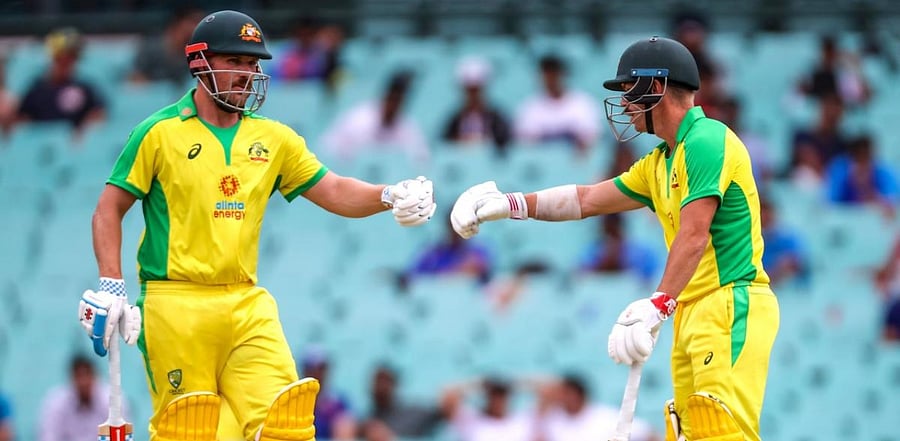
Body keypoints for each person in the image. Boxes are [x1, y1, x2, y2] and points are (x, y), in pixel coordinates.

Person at [76, 10, 436, 441]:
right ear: (200, 63)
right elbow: (108, 208)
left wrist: (386, 195)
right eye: (236, 62)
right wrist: (112, 283)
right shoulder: (158, 133)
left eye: (254, 64)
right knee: (190, 431)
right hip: (175, 303)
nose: (248, 74)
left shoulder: (274, 139)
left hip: (246, 302)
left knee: (288, 423)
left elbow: (334, 189)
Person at [450, 36, 779, 441]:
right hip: (692, 309)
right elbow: (585, 199)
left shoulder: (707, 140)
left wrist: (658, 303)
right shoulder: (660, 161)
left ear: (655, 87)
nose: (623, 103)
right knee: (690, 433)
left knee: (721, 430)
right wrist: (509, 203)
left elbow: (694, 235)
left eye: (628, 91)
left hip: (730, 302)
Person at [320, 70, 429, 163]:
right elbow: (334, 150)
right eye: (393, 99)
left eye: (399, 100)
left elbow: (421, 158)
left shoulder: (406, 125)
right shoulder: (359, 119)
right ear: (386, 97)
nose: (395, 104)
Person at [15, 27, 105, 130]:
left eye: (70, 59)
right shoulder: (37, 88)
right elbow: (22, 118)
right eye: (61, 59)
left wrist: (83, 133)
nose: (66, 63)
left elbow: (98, 114)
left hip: (73, 143)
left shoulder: (84, 88)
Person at [513, 55, 601, 153]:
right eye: (546, 73)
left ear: (562, 74)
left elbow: (590, 140)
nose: (550, 78)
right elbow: (526, 145)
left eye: (554, 73)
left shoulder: (583, 103)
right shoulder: (529, 107)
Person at [537, 373, 658, 441]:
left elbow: (649, 434)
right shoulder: (551, 420)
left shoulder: (605, 418)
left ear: (577, 395)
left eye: (564, 393)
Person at [38, 354, 127, 441]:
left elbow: (121, 437)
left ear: (95, 377)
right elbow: (48, 436)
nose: (83, 382)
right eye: (79, 376)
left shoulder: (113, 401)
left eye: (87, 375)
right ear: (71, 378)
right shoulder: (55, 404)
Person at [442, 57, 512, 154]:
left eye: (476, 90)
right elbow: (443, 145)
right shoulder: (455, 120)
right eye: (469, 90)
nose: (473, 95)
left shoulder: (497, 119)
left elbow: (506, 145)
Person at [130, 6, 206, 86]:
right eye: (193, 21)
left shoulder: (197, 53)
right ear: (177, 23)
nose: (197, 27)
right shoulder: (151, 47)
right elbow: (135, 78)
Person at [365, 364, 443, 439]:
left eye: (385, 381)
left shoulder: (414, 415)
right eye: (377, 381)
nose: (380, 387)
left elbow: (440, 412)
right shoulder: (367, 422)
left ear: (394, 385)